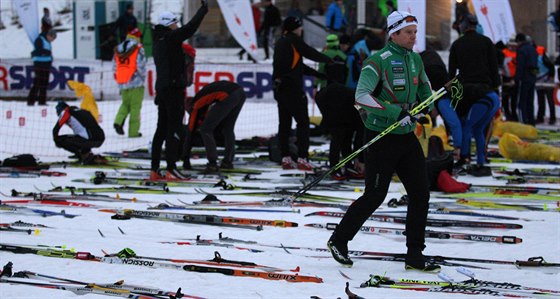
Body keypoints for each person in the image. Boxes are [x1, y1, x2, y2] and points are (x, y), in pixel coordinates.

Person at [327, 11, 439, 272]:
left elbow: (425, 89)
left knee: (421, 193)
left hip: (406, 136)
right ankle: (339, 240)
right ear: (394, 33)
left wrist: (426, 106)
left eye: (415, 31)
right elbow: (361, 96)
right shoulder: (378, 61)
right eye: (408, 32)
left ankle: (414, 254)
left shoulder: (415, 60)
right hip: (381, 136)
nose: (414, 36)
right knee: (376, 194)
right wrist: (394, 111)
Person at [151, 2, 208, 181]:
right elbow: (190, 29)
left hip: (162, 90)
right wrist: (202, 12)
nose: (177, 26)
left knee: (161, 129)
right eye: (175, 23)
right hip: (173, 90)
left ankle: (154, 169)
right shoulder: (170, 38)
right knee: (173, 129)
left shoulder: (158, 40)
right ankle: (171, 168)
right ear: (170, 24)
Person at [272, 16, 333, 170]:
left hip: (280, 89)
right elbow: (310, 53)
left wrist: (318, 75)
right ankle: (303, 158)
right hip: (293, 89)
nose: (301, 30)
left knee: (284, 124)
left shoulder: (281, 41)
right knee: (303, 123)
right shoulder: (293, 39)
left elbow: (297, 66)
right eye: (299, 27)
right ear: (294, 28)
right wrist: (328, 60)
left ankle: (286, 157)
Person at [448, 14, 500, 176]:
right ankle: (480, 161)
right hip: (489, 94)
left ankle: (464, 157)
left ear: (462, 27)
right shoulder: (486, 42)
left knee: (467, 126)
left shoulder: (457, 44)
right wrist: (495, 87)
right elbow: (494, 68)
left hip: (469, 92)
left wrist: (454, 94)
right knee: (478, 128)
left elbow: (451, 74)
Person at [183, 81, 246, 173]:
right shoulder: (202, 98)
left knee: (205, 129)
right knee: (228, 129)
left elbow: (190, 130)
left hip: (229, 95)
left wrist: (185, 158)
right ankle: (227, 162)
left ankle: (212, 164)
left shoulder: (195, 105)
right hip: (240, 92)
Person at [421, 48, 461, 161]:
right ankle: (443, 137)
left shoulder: (424, 65)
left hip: (433, 78)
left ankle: (430, 138)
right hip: (439, 80)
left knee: (429, 113)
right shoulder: (432, 66)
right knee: (442, 113)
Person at [112, 28, 146, 138]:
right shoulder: (138, 48)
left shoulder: (119, 48)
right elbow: (140, 65)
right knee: (135, 108)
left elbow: (114, 66)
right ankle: (133, 132)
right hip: (136, 82)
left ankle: (118, 121)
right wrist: (142, 77)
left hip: (122, 82)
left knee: (125, 104)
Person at [27, 29, 56, 106]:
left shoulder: (47, 41)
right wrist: (48, 53)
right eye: (52, 38)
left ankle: (42, 101)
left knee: (45, 83)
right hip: (39, 64)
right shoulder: (39, 40)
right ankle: (31, 101)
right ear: (49, 35)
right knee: (38, 82)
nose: (52, 40)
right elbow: (38, 51)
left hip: (46, 64)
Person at [514, 33, 538, 126]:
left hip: (524, 78)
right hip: (532, 78)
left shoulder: (522, 50)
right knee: (530, 101)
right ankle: (531, 122)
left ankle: (523, 122)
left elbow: (520, 65)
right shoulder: (533, 49)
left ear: (519, 41)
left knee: (522, 102)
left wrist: (517, 78)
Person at [535, 45, 556, 125]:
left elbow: (551, 67)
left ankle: (550, 117)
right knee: (543, 101)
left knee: (548, 100)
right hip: (540, 81)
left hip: (546, 81)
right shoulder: (541, 58)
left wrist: (550, 77)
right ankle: (543, 117)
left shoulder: (542, 58)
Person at [500, 39, 518, 121]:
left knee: (514, 98)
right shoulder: (504, 52)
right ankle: (507, 114)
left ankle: (513, 115)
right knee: (505, 98)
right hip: (506, 77)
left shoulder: (518, 53)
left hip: (515, 77)